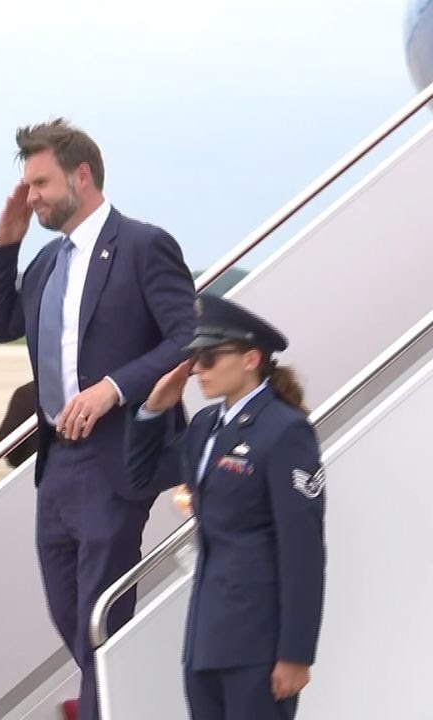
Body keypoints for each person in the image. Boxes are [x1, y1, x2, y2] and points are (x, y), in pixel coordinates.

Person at [0, 117, 196, 720]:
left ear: (81, 175)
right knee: (74, 617)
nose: (33, 195)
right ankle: (124, 697)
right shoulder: (45, 264)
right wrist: (6, 241)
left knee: (100, 620)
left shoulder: (143, 246)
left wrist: (115, 389)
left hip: (118, 455)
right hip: (58, 464)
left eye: (41, 183)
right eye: (28, 185)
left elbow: (188, 335)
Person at [126, 293, 326, 720]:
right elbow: (141, 478)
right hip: (208, 637)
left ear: (251, 358)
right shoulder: (206, 426)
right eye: (196, 356)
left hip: (258, 642)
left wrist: (295, 652)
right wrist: (152, 408)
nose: (199, 368)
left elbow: (303, 550)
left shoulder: (284, 430)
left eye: (211, 357)